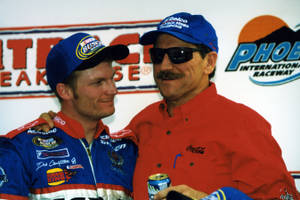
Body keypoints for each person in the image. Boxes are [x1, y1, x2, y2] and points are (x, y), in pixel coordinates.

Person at [22, 12, 300, 200]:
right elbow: (93, 142)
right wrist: (54, 126)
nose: (165, 66)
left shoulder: (243, 124)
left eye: (179, 55)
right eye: (158, 55)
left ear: (209, 62)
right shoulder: (142, 124)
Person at [0, 32, 138, 200]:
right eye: (98, 83)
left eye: (112, 79)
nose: (112, 90)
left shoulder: (128, 149)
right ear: (64, 91)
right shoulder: (20, 149)